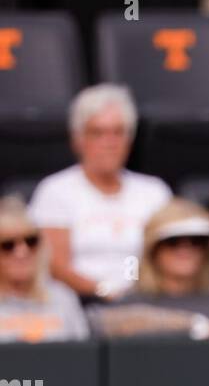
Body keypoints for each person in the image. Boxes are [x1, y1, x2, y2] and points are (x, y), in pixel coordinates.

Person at [29, 85, 171, 302]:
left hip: (143, 300)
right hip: (78, 301)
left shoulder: (153, 191)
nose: (109, 143)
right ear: (78, 139)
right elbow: (55, 264)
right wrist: (104, 290)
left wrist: (129, 289)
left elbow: (152, 257)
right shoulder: (56, 191)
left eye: (118, 132)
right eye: (98, 133)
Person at [116, 199, 209, 336]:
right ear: (153, 249)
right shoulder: (129, 305)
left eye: (197, 240)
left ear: (208, 249)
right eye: (173, 241)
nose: (186, 250)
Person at [0, 196, 88, 343]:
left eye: (31, 241)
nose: (22, 252)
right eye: (8, 245)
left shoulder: (63, 297)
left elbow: (84, 355)